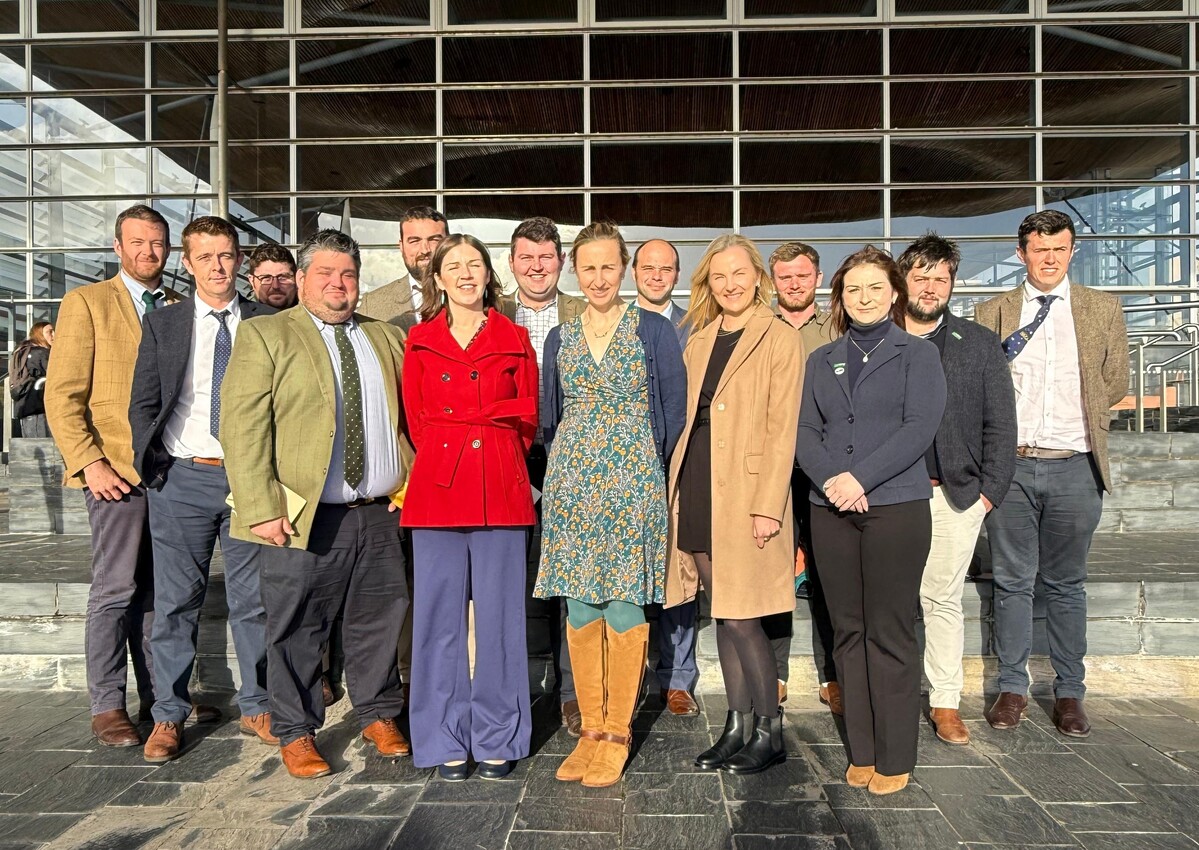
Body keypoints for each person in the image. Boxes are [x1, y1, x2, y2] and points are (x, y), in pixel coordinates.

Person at [221, 229, 414, 779]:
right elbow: (242, 427)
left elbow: (409, 420)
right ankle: (297, 730)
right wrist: (261, 505)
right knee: (297, 625)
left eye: (348, 275)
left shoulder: (385, 337)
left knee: (378, 618)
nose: (338, 284)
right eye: (326, 274)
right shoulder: (265, 335)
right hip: (301, 515)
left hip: (378, 510)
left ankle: (378, 713)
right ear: (302, 280)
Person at [536, 221, 685, 788]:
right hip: (572, 487)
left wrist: (638, 468)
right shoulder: (560, 337)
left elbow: (672, 412)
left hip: (632, 484)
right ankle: (591, 730)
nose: (598, 277)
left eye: (608, 266)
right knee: (579, 608)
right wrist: (572, 465)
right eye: (588, 267)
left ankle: (618, 732)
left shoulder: (654, 331)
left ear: (623, 269)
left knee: (623, 606)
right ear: (576, 270)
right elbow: (551, 418)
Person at [795, 245, 946, 796]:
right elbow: (804, 431)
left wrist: (860, 478)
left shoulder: (917, 354)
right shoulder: (821, 358)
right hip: (830, 509)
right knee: (848, 631)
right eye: (853, 289)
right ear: (840, 297)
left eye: (875, 288)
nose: (864, 298)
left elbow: (919, 427)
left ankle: (895, 755)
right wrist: (835, 479)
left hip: (895, 508)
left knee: (890, 632)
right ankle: (861, 750)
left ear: (894, 294)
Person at [127, 216, 277, 764]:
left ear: (240, 262)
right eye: (205, 256)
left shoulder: (268, 321)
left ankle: (258, 704)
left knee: (253, 600)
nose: (217, 266)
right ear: (186, 264)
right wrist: (155, 469)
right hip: (182, 479)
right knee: (174, 603)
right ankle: (168, 714)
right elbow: (143, 401)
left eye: (227, 255)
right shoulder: (164, 325)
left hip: (248, 480)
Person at [974, 211, 1129, 739]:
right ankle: (1012, 689)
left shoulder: (1101, 309)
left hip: (1075, 467)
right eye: (1039, 249)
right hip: (1011, 467)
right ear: (1021, 253)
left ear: (1072, 251)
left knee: (1067, 585)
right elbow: (982, 388)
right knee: (1013, 583)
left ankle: (1069, 694)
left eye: (1059, 249)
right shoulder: (991, 311)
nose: (1049, 258)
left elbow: (1113, 384)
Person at [45, 204, 186, 747]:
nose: (148, 253)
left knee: (159, 591)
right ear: (117, 247)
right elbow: (63, 396)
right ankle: (107, 705)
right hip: (114, 476)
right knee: (114, 591)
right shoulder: (86, 303)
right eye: (138, 243)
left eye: (157, 244)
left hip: (168, 475)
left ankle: (160, 698)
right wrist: (89, 462)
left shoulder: (176, 306)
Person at [400, 233, 538, 781]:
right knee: (437, 620)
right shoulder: (418, 341)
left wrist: (497, 454)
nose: (464, 274)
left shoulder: (516, 337)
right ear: (436, 278)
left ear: (489, 275)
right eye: (452, 266)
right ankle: (441, 737)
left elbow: (527, 422)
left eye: (474, 265)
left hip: (501, 485)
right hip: (437, 487)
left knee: (503, 619)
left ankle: (499, 733)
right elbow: (416, 420)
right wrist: (455, 449)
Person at [666, 234, 802, 775]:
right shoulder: (697, 341)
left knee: (745, 618)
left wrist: (769, 504)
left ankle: (770, 731)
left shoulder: (778, 337)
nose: (730, 284)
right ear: (708, 283)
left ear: (757, 277)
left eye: (738, 274)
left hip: (747, 494)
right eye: (718, 276)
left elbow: (782, 428)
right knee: (721, 613)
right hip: (699, 483)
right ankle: (737, 725)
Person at [898, 234, 1017, 746]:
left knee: (941, 599)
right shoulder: (877, 338)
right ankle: (895, 696)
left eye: (940, 279)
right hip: (889, 495)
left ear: (951, 284)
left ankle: (945, 702)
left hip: (955, 496)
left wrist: (986, 495)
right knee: (891, 601)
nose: (930, 287)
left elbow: (1002, 426)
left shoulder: (980, 344)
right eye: (921, 277)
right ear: (904, 281)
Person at [500, 217, 588, 737]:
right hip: (508, 460)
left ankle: (573, 691)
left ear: (561, 261)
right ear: (512, 263)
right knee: (512, 577)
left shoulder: (587, 314)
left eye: (547, 257)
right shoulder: (489, 316)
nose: (537, 267)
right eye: (526, 257)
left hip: (570, 460)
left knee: (571, 576)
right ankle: (519, 686)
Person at [770, 242, 840, 714]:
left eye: (802, 276)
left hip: (826, 468)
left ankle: (832, 675)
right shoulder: (759, 327)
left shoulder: (840, 326)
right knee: (772, 574)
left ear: (818, 277)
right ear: (772, 281)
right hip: (772, 470)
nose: (794, 284)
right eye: (785, 277)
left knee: (828, 574)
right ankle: (773, 674)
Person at [631, 237, 698, 717]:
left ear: (677, 275)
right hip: (620, 470)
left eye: (666, 268)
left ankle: (677, 678)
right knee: (626, 577)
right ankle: (629, 677)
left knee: (679, 573)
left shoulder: (695, 326)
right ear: (634, 271)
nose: (657, 275)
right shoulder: (610, 322)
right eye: (648, 267)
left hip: (678, 466)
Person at [358, 205, 448, 324]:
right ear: (401, 246)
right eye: (415, 241)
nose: (425, 250)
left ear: (448, 242)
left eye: (434, 240)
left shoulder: (476, 297)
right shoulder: (372, 305)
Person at [10, 322, 54, 437]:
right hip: (39, 407)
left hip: (25, 407)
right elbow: (55, 376)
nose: (54, 335)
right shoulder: (41, 353)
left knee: (31, 448)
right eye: (49, 332)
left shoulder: (21, 351)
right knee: (45, 448)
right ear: (39, 335)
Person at [247, 243, 299, 309]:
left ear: (297, 278)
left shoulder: (312, 313)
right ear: (252, 281)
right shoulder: (240, 316)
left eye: (283, 277)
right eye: (266, 278)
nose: (275, 286)